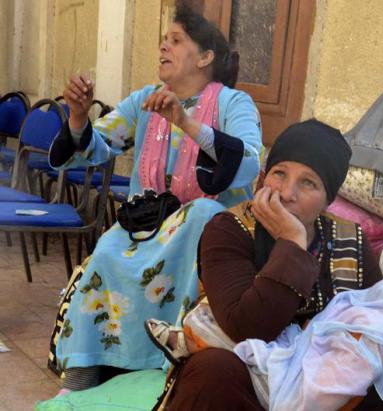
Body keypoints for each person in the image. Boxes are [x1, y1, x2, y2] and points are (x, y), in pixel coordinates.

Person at [47, 6, 262, 392]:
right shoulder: (146, 100)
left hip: (201, 232)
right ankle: (87, 366)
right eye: (165, 38)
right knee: (110, 248)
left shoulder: (234, 104)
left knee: (203, 213)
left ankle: (168, 364)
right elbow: (93, 148)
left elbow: (248, 162)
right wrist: (78, 117)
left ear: (205, 57)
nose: (164, 45)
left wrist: (186, 122)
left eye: (176, 40)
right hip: (147, 227)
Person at [156, 119, 383, 410]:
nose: (288, 193)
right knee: (213, 370)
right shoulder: (230, 229)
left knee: (381, 375)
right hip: (244, 382)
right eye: (280, 173)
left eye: (308, 182)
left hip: (325, 383)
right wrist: (292, 242)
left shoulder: (351, 241)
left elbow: (378, 323)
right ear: (263, 180)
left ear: (327, 200)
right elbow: (247, 328)